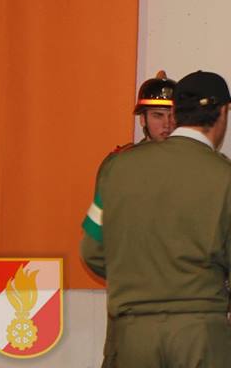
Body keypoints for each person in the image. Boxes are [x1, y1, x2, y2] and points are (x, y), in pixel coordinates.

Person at [81, 70, 231, 368]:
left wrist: (138, 283)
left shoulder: (116, 170)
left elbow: (91, 251)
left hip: (133, 334)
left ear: (177, 114)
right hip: (200, 333)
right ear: (223, 113)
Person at [91, 70, 177, 368]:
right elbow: (98, 232)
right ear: (142, 119)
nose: (167, 124)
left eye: (173, 115)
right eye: (157, 116)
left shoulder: (200, 166)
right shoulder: (119, 164)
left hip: (181, 290)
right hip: (133, 289)